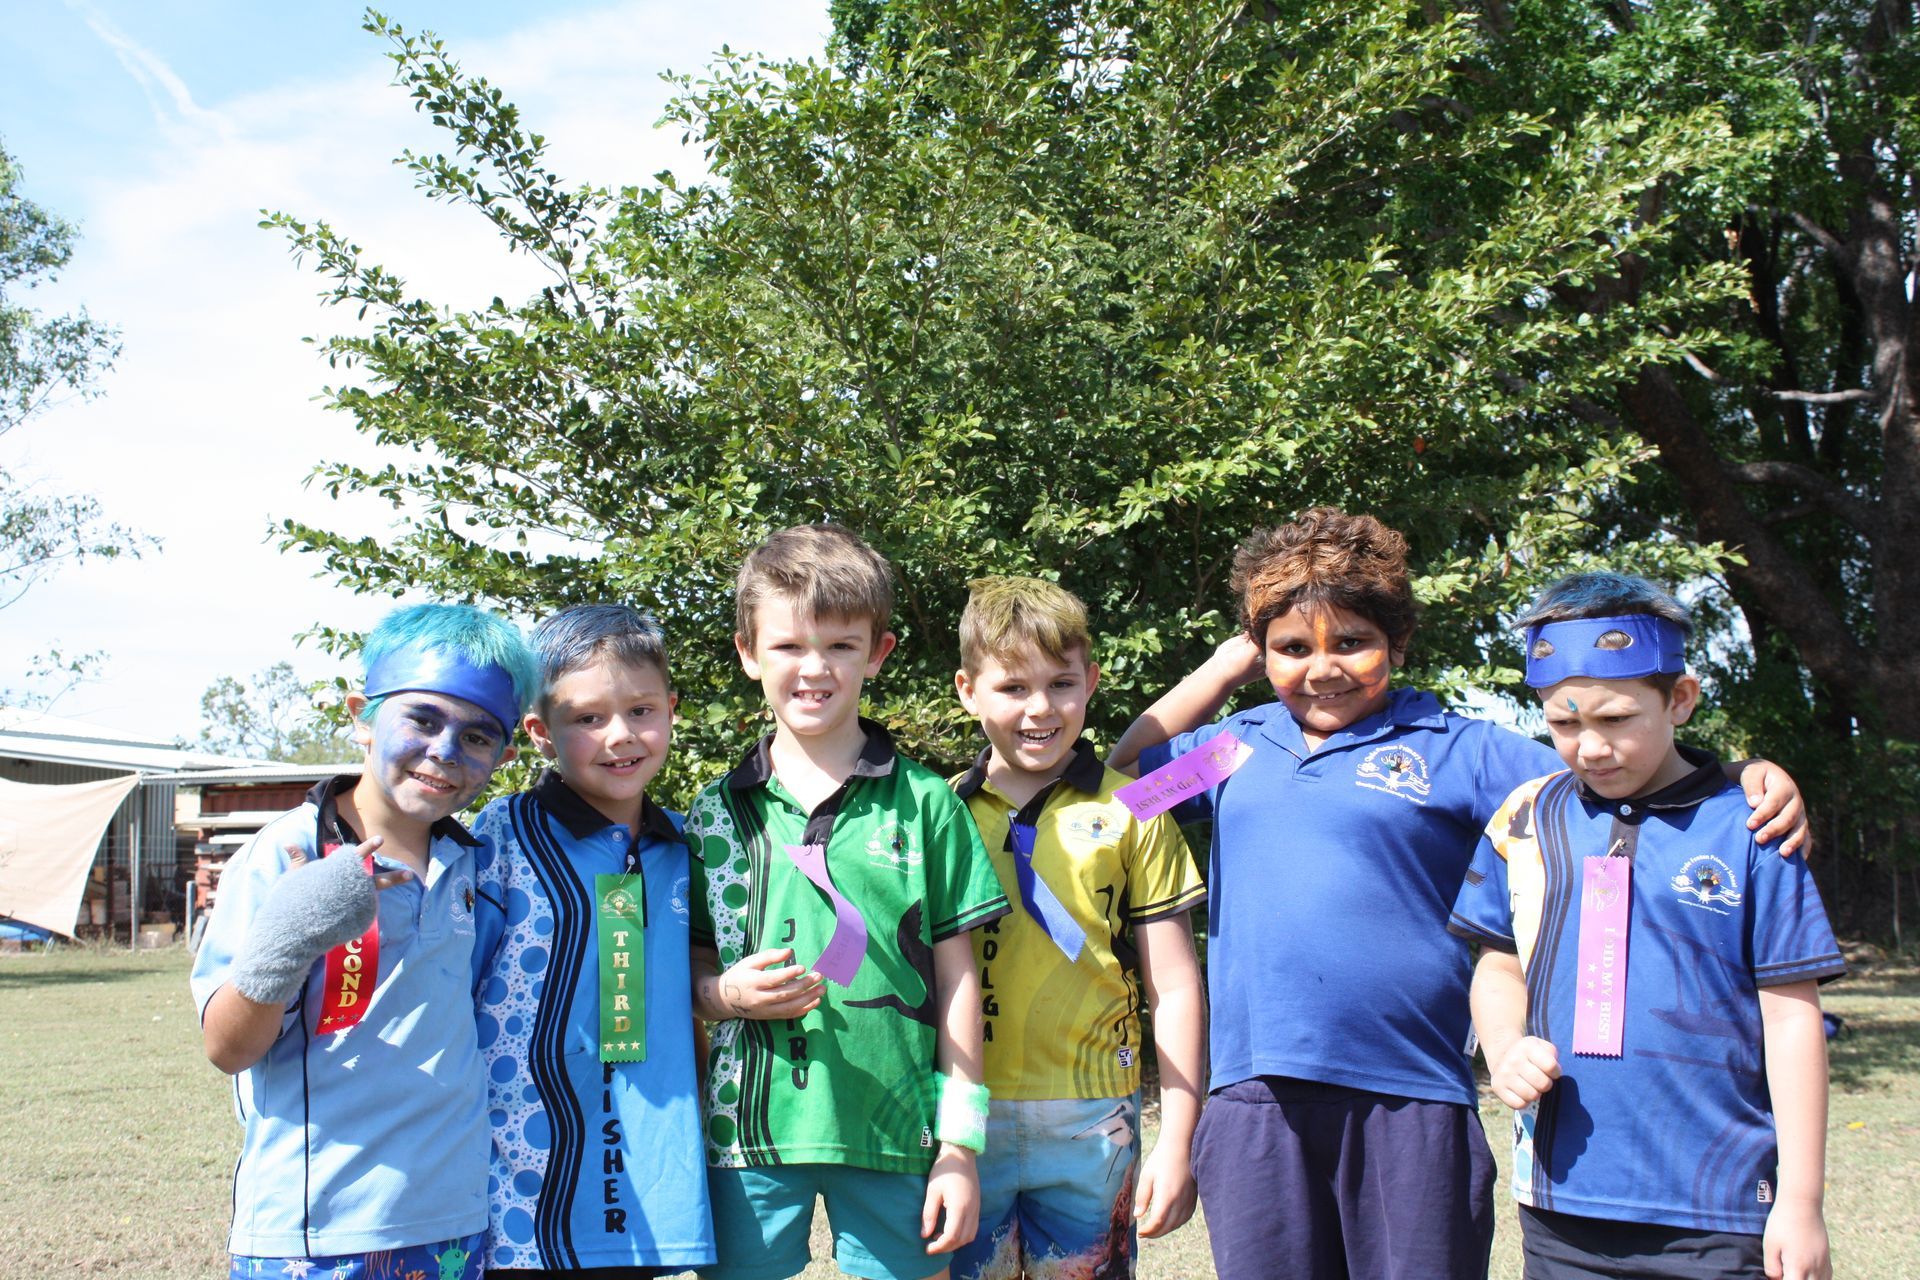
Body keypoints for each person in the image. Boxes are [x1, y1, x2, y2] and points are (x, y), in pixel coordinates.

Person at [1106, 508, 1810, 1280]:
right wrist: (1219, 670)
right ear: (1261, 651)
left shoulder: (1460, 749)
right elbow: (1123, 785)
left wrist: (1740, 775)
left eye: (1352, 643)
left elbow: (1608, 772)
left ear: (1398, 642)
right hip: (1255, 1099)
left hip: (1413, 1096)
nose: (1323, 668)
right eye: (1292, 648)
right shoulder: (1233, 748)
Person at [1450, 572, 1843, 1280]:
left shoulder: (1755, 828)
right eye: (1565, 723)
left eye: (1616, 719)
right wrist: (1504, 1047)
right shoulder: (1525, 818)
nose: (1591, 747)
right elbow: (1499, 963)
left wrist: (1802, 1200)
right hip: (1562, 1203)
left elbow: (1792, 1018)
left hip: (1719, 1210)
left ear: (1680, 699)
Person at [686, 523, 1011, 1280]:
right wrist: (723, 995)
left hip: (901, 1132)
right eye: (788, 645)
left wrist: (960, 1145)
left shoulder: (928, 804)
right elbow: (689, 968)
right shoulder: (710, 813)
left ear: (878, 652)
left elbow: (960, 982)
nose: (815, 668)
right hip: (744, 1136)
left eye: (840, 645)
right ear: (747, 652)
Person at [191, 603, 536, 1280]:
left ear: (503, 756)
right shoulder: (285, 853)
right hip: (318, 1233)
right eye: (423, 720)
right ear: (361, 716)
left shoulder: (477, 864)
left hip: (455, 1224)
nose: (445, 751)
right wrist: (290, 937)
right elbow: (227, 1049)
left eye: (476, 736)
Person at [946, 576, 1207, 1280]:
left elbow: (1176, 987)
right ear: (968, 690)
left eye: (1061, 684)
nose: (1040, 708)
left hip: (1095, 1117)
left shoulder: (1136, 808)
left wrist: (1178, 1136)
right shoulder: (937, 813)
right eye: (1013, 687)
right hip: (965, 1116)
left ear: (1090, 682)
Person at [470, 604, 716, 1277]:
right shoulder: (499, 839)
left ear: (671, 710)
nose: (620, 736)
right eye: (587, 718)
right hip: (523, 1184)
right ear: (540, 732)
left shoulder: (688, 846)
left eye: (641, 710)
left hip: (652, 1179)